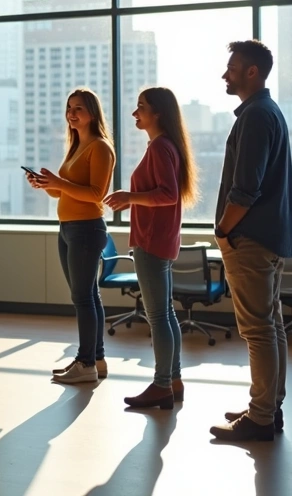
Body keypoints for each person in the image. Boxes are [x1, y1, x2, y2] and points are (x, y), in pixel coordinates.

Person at [210, 40, 292, 442]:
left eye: (231, 68)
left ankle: (261, 417)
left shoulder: (256, 115)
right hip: (269, 237)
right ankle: (268, 407)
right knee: (271, 325)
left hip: (250, 239)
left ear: (252, 72)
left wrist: (223, 230)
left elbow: (245, 188)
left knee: (258, 330)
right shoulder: (267, 111)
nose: (224, 74)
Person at [105, 87, 198, 409]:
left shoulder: (160, 147)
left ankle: (161, 385)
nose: (135, 113)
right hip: (161, 240)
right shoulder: (166, 146)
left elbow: (167, 195)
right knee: (166, 314)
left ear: (158, 113)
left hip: (151, 240)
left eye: (141, 107)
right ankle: (173, 380)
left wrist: (129, 197)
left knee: (158, 316)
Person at [28, 89, 116, 384]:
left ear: (92, 112)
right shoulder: (77, 146)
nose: (71, 113)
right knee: (88, 296)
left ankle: (85, 363)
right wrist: (47, 185)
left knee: (82, 298)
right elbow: (64, 192)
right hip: (68, 228)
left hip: (86, 229)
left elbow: (96, 195)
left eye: (78, 108)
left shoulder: (100, 147)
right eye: (69, 108)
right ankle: (96, 359)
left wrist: (59, 182)